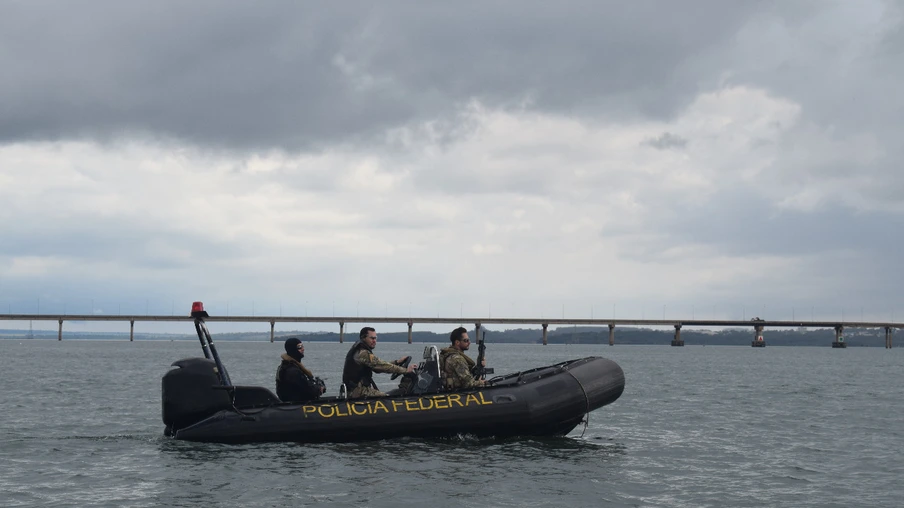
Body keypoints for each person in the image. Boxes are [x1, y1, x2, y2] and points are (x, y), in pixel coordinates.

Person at [342, 327, 417, 398]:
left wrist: (397, 362)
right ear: (364, 338)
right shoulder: (363, 353)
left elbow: (378, 366)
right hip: (358, 391)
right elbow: (383, 366)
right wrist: (406, 371)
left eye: (375, 338)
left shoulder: (359, 350)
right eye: (372, 338)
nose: (374, 341)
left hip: (356, 390)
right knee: (387, 399)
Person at [275, 337, 325, 403]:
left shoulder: (286, 366)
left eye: (302, 346)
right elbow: (309, 390)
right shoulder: (293, 371)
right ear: (293, 349)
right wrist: (320, 388)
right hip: (295, 405)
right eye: (299, 347)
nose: (303, 349)